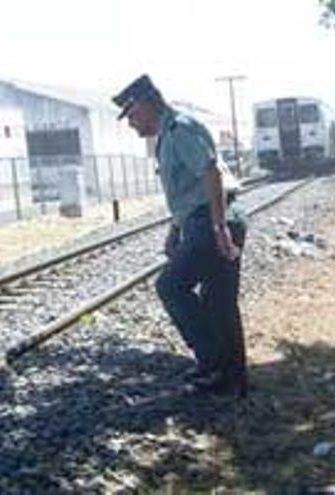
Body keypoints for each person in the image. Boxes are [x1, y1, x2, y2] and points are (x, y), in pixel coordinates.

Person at [113, 75, 248, 397]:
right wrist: (175, 230)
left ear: (146, 105)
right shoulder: (168, 133)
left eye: (132, 115)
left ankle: (214, 362)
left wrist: (218, 229)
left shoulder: (179, 129)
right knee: (219, 302)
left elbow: (210, 173)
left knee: (171, 286)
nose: (131, 124)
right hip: (208, 219)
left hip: (213, 221)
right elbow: (189, 189)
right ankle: (231, 378)